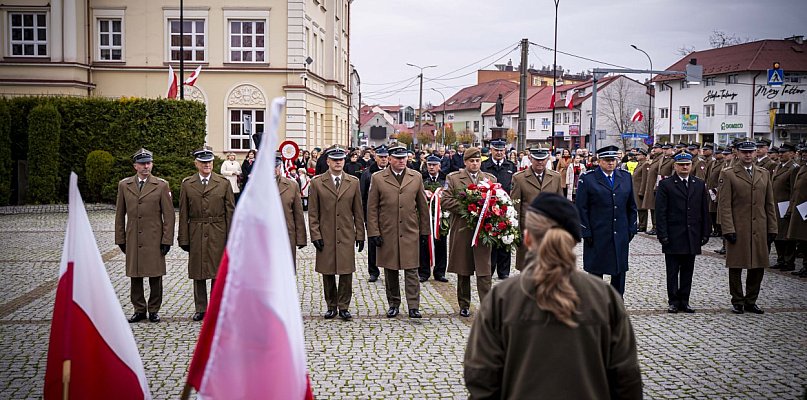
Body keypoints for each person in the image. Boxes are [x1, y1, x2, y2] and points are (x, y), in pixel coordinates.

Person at [464, 192, 643, 399]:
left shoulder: (502, 298)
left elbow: (481, 378)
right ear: (575, 241)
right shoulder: (605, 297)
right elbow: (627, 378)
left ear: (528, 238)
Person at [367, 145, 430, 318]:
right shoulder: (378, 178)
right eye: (398, 158)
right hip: (388, 231)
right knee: (391, 270)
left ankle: (413, 306)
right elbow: (372, 208)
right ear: (390, 158)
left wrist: (425, 232)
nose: (402, 161)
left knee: (412, 270)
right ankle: (393, 303)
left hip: (410, 230)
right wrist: (374, 232)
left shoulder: (415, 177)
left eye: (404, 158)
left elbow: (423, 207)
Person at [115, 148, 175, 323]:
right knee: (136, 275)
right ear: (135, 166)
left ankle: (154, 309)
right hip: (133, 236)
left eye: (148, 163)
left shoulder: (161, 185)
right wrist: (120, 239)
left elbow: (169, 216)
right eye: (142, 164)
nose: (146, 167)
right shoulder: (124, 185)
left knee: (155, 276)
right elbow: (120, 214)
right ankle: (139, 309)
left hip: (154, 237)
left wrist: (167, 240)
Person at [718, 139, 777, 314]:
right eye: (745, 152)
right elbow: (724, 204)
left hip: (760, 226)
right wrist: (728, 228)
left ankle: (751, 300)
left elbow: (769, 203)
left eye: (752, 151)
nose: (749, 155)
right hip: (739, 227)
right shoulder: (728, 173)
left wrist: (772, 228)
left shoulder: (763, 173)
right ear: (737, 153)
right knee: (736, 265)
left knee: (758, 265)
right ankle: (738, 300)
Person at [178, 146, 235, 321]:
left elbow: (230, 212)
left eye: (209, 161)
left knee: (217, 272)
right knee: (199, 271)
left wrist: (231, 238)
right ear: (196, 164)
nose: (207, 165)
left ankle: (217, 308)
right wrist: (184, 238)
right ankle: (201, 308)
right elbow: (184, 213)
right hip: (196, 230)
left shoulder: (223, 183)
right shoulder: (188, 184)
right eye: (203, 162)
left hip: (218, 230)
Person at [308, 146, 365, 320]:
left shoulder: (353, 182)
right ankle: (331, 305)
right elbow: (313, 213)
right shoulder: (317, 182)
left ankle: (344, 306)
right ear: (328, 162)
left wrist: (360, 235)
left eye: (341, 159)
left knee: (346, 272)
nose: (338, 162)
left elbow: (358, 210)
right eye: (335, 160)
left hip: (346, 233)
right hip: (326, 233)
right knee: (328, 271)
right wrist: (315, 235)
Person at [576, 145, 638, 296]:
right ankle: (596, 306)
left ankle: (617, 304)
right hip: (597, 234)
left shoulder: (625, 177)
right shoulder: (588, 179)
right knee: (596, 272)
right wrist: (586, 231)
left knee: (619, 271)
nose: (611, 163)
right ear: (599, 161)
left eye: (613, 160)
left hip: (620, 233)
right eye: (607, 160)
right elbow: (581, 208)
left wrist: (631, 228)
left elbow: (631, 206)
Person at [443, 147, 497, 317]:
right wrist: (469, 208)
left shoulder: (489, 179)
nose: (475, 164)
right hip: (462, 229)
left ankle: (487, 304)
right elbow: (445, 200)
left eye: (477, 161)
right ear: (465, 162)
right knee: (463, 269)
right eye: (471, 161)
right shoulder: (453, 178)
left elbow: (498, 200)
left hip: (483, 231)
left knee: (484, 270)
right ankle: (464, 304)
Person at [655, 152, 711, 313]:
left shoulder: (699, 184)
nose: (684, 167)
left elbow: (704, 211)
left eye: (687, 164)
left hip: (692, 235)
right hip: (673, 235)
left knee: (688, 270)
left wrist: (705, 232)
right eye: (681, 164)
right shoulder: (666, 185)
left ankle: (684, 300)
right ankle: (673, 301)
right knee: (672, 271)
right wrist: (662, 234)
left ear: (691, 166)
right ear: (675, 166)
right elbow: (661, 212)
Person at [511, 147, 563, 271]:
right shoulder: (519, 178)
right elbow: (515, 207)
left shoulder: (555, 177)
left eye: (543, 159)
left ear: (547, 159)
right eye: (537, 159)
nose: (540, 162)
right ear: (530, 159)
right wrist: (516, 232)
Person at [481, 138, 517, 279]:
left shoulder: (511, 166)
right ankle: (488, 269)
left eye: (502, 150)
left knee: (506, 238)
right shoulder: (485, 166)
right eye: (496, 150)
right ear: (491, 150)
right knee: (490, 239)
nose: (499, 153)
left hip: (505, 207)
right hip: (489, 207)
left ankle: (504, 271)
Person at [360, 145, 389, 282]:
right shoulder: (367, 174)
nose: (383, 159)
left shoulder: (392, 172)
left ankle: (390, 267)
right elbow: (362, 196)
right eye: (381, 157)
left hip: (388, 215)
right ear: (375, 157)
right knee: (372, 243)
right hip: (372, 214)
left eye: (385, 157)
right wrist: (364, 216)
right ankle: (373, 271)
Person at [770, 143, 800, 272]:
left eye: (784, 152)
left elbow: (795, 190)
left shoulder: (793, 168)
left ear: (792, 154)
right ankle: (780, 259)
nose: (781, 154)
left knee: (787, 236)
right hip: (775, 206)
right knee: (777, 234)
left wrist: (791, 208)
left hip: (785, 206)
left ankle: (789, 261)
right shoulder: (778, 166)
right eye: (780, 152)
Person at [419, 155, 448, 282]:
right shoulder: (421, 178)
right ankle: (423, 272)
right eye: (429, 165)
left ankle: (440, 272)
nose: (431, 167)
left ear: (439, 166)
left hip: (441, 217)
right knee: (423, 244)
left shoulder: (445, 179)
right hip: (424, 217)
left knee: (441, 244)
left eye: (434, 165)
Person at [275, 153, 307, 266]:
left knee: (285, 269)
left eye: (276, 166)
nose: (273, 170)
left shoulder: (291, 186)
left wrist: (301, 238)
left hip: (286, 234)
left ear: (280, 167)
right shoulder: (255, 186)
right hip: (262, 238)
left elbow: (298, 213)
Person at [788, 145, 807, 277]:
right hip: (800, 209)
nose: (804, 154)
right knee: (802, 239)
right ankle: (805, 266)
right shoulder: (803, 167)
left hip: (805, 209)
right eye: (803, 152)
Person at [632, 149, 648, 232]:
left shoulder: (645, 164)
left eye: (639, 154)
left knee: (642, 208)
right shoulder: (639, 164)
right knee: (638, 207)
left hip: (640, 189)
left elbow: (644, 179)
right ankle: (641, 223)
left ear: (644, 156)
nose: (637, 156)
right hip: (636, 188)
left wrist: (642, 191)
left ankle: (643, 225)